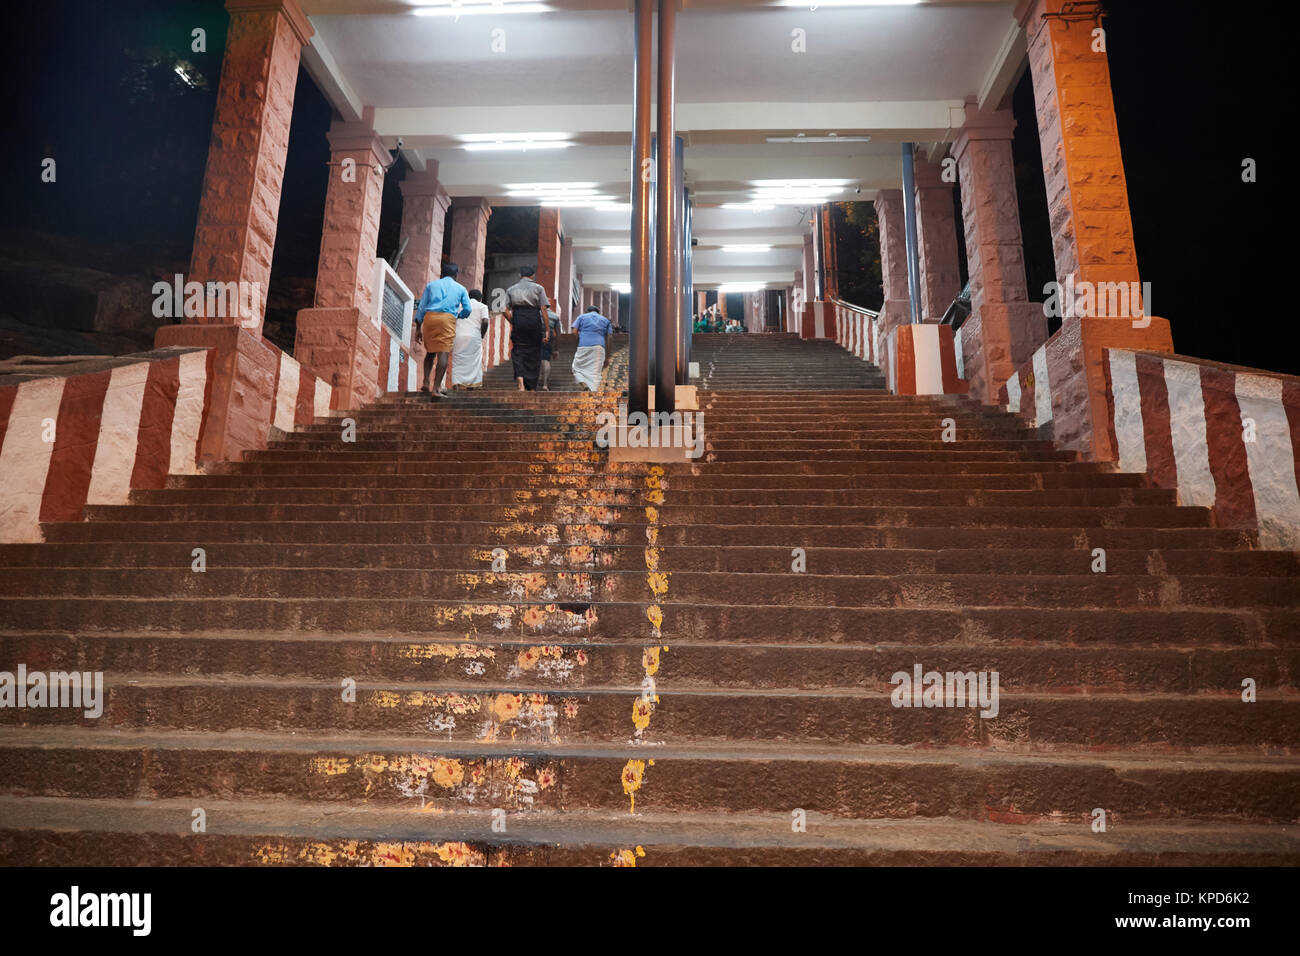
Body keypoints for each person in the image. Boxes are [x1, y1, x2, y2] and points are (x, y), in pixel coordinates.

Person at [416, 263, 471, 397]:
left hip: (430, 318)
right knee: (443, 353)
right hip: (447, 319)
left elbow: (422, 307)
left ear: (442, 273)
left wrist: (418, 328)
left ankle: (425, 382)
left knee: (430, 352)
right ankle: (436, 389)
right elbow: (468, 309)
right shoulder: (461, 288)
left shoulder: (431, 286)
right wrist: (458, 316)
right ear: (455, 275)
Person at [505, 265, 550, 391]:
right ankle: (531, 385)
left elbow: (504, 309)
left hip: (518, 318)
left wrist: (514, 321)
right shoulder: (538, 288)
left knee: (518, 351)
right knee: (535, 352)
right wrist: (547, 330)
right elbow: (543, 310)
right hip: (533, 319)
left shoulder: (511, 289)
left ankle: (520, 383)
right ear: (532, 276)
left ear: (520, 276)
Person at [451, 289, 489, 390]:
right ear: (480, 299)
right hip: (474, 336)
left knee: (458, 361)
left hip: (458, 335)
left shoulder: (459, 306)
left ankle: (457, 385)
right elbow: (485, 321)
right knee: (473, 362)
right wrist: (482, 334)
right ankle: (470, 387)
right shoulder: (482, 306)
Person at [570, 302, 613, 391]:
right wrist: (608, 356)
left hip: (583, 345)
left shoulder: (581, 317)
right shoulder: (605, 320)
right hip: (599, 347)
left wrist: (580, 340)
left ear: (587, 311)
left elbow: (574, 331)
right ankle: (593, 395)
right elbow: (610, 338)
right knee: (595, 373)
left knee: (576, 368)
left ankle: (583, 383)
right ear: (598, 312)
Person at [539, 308, 561, 390]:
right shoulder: (555, 316)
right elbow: (558, 334)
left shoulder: (536, 312)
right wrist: (556, 349)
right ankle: (545, 384)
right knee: (545, 360)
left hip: (535, 334)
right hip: (548, 335)